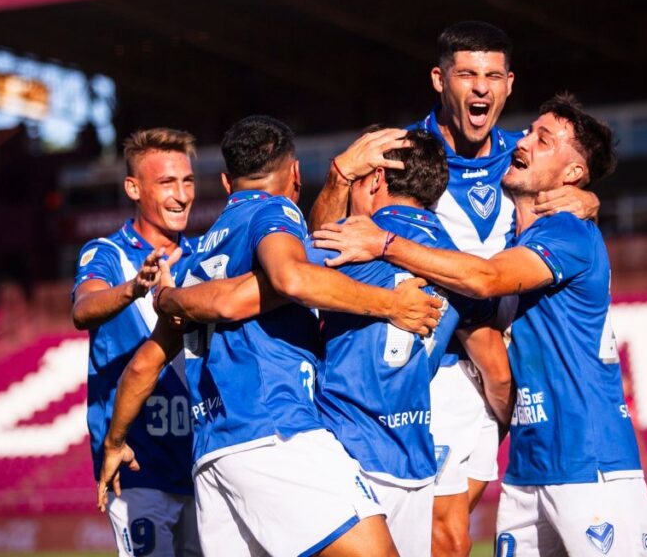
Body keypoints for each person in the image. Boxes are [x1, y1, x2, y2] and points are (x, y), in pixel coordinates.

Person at [314, 94, 647, 557]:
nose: (523, 140)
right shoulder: (522, 235)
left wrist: (384, 243)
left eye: (543, 139)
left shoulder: (569, 233)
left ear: (573, 175)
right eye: (528, 130)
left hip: (589, 462)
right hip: (528, 468)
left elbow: (484, 278)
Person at [98, 115, 444, 557]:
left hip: (211, 456)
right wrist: (392, 304)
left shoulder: (192, 262)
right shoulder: (275, 209)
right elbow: (293, 279)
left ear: (226, 182)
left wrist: (114, 443)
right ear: (295, 174)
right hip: (274, 430)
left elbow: (144, 364)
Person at [308, 129, 512, 556]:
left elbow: (287, 272)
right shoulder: (454, 263)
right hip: (414, 460)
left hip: (346, 448)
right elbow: (494, 364)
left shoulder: (348, 240)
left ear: (378, 177)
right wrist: (510, 421)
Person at [72, 128, 201, 557]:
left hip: (204, 460)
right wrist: (133, 288)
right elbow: (83, 307)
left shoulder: (205, 255)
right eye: (167, 182)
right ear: (133, 187)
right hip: (138, 463)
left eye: (187, 181)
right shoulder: (107, 253)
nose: (182, 195)